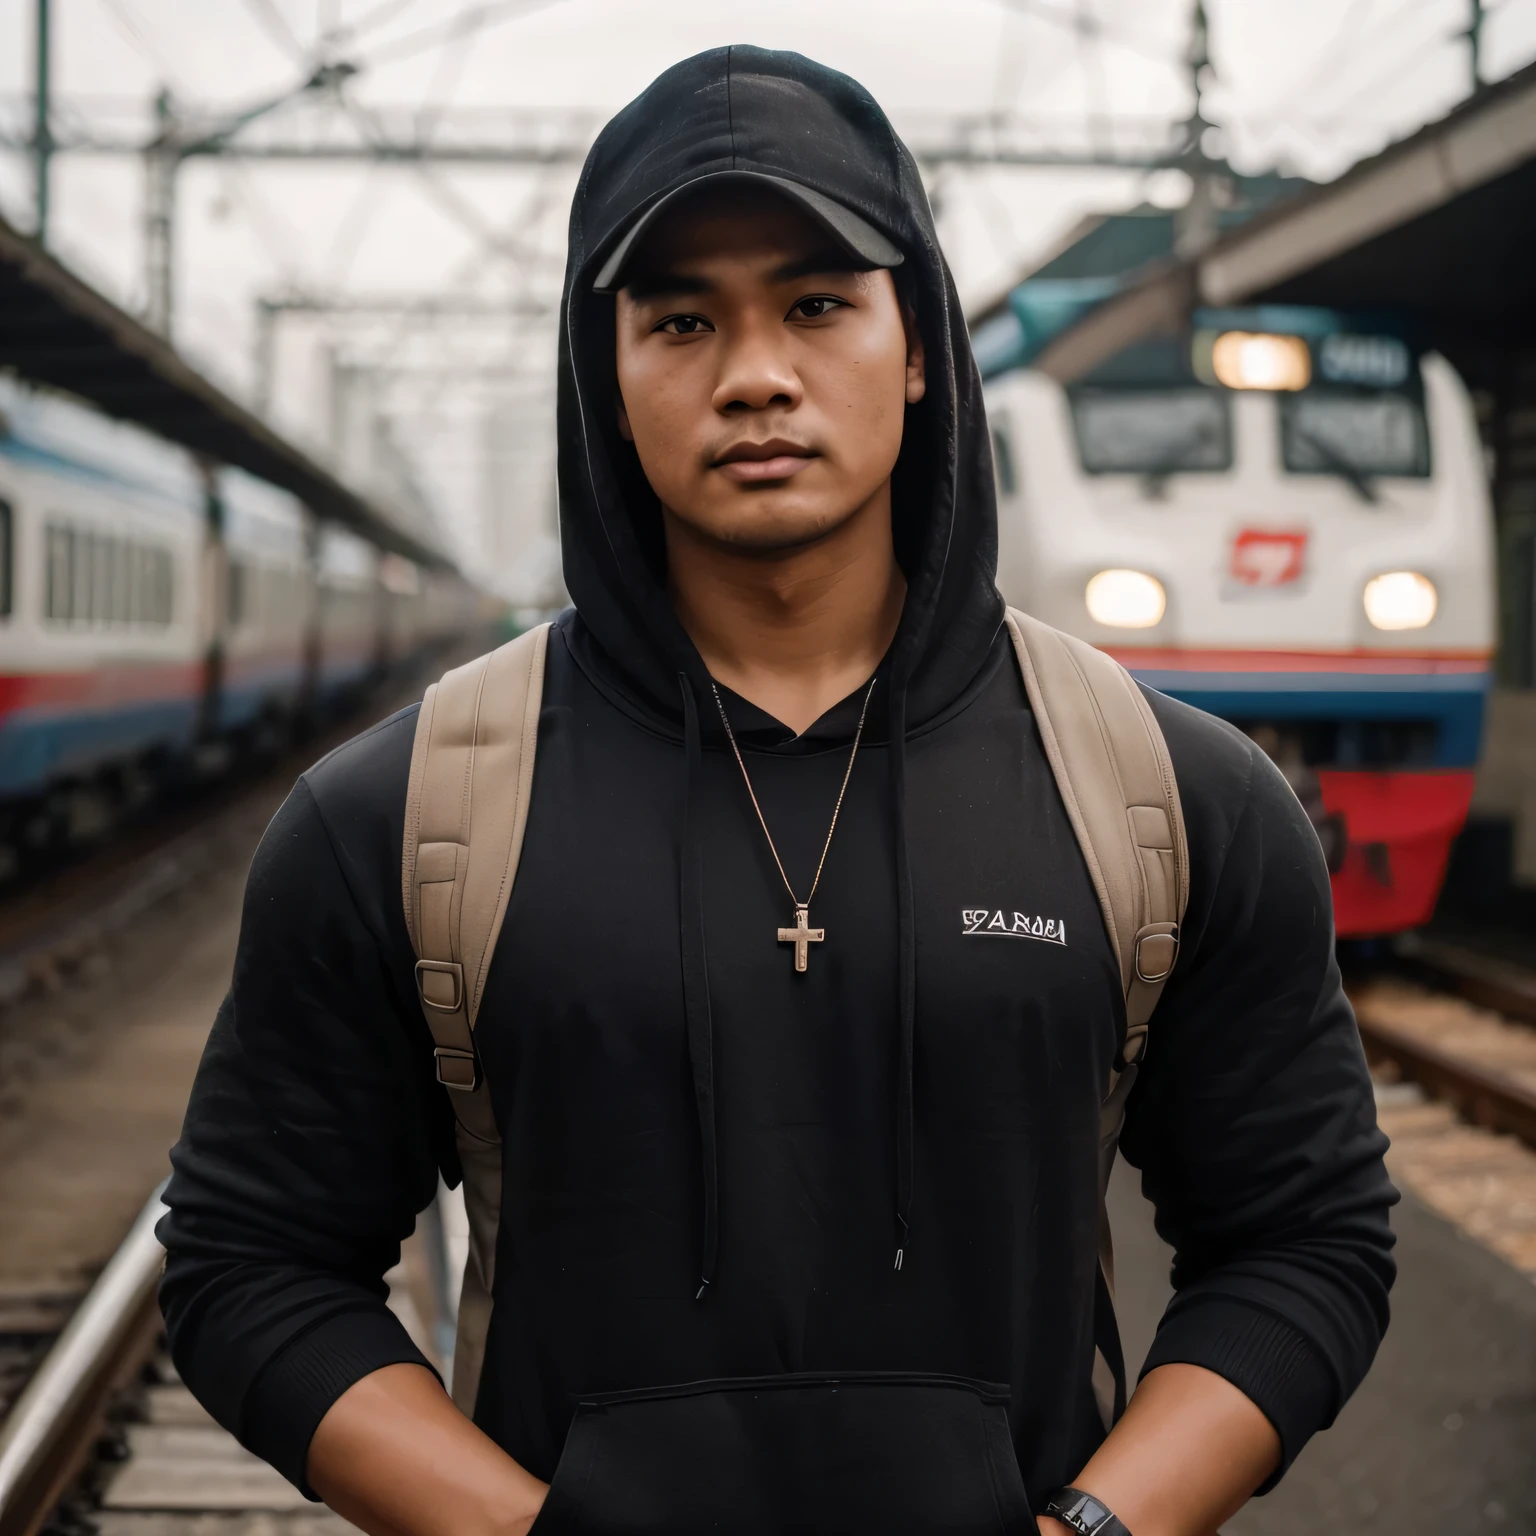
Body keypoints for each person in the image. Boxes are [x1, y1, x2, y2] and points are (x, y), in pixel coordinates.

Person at [159, 46, 1395, 1536]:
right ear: (604, 380)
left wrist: (1099, 1528)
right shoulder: (401, 817)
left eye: (818, 303)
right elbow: (250, 1262)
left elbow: (1304, 1239)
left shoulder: (1167, 799)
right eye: (679, 319)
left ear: (922, 341)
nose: (755, 373)